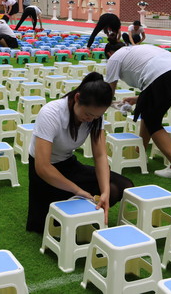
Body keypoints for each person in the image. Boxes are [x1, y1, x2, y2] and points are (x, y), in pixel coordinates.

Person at [26, 72, 134, 233]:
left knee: (120, 187)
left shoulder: (95, 116)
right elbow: (43, 167)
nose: (91, 119)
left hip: (68, 164)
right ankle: (74, 207)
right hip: (46, 174)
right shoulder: (51, 113)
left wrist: (105, 192)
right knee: (48, 225)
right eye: (88, 114)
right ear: (77, 98)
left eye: (96, 116)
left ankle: (82, 211)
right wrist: (77, 190)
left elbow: (100, 155)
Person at [104, 42, 171, 179]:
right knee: (148, 115)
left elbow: (109, 90)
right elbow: (154, 86)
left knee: (153, 122)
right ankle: (139, 152)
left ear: (109, 54)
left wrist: (105, 105)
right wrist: (138, 99)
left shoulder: (114, 58)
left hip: (163, 76)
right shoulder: (135, 51)